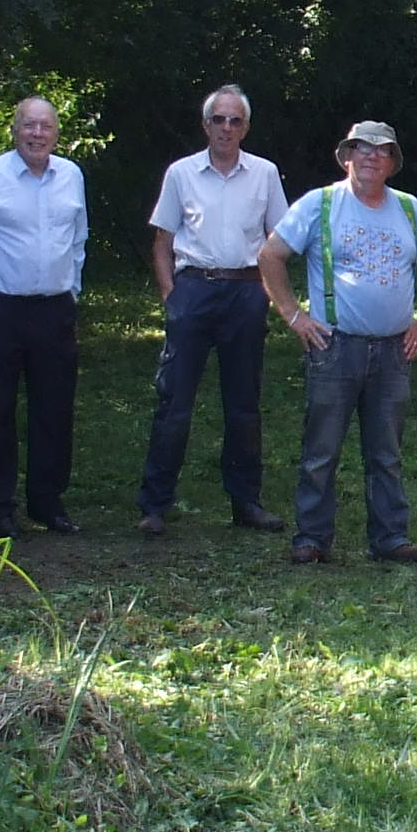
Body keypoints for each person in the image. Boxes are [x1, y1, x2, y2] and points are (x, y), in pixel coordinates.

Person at [260, 119, 417, 565]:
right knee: (321, 449)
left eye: (381, 150)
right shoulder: (320, 205)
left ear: (392, 162)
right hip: (333, 347)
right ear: (347, 157)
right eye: (361, 149)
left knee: (386, 451)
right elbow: (271, 256)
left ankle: (390, 537)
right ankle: (311, 537)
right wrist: (294, 316)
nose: (370, 156)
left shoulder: (409, 210)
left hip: (392, 351)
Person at [137, 85, 291, 535]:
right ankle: (154, 505)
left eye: (235, 120)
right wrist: (172, 297)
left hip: (244, 293)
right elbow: (162, 241)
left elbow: (278, 239)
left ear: (246, 127)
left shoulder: (264, 173)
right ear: (205, 125)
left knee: (244, 404)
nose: (226, 128)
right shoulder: (181, 173)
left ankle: (246, 502)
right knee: (174, 402)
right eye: (218, 120)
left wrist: (265, 293)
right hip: (193, 291)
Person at [0, 95, 89, 539]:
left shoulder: (72, 176)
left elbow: (78, 239)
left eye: (46, 126)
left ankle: (48, 502)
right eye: (29, 125)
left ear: (57, 133)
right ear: (15, 129)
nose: (37, 134)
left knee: (54, 409)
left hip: (54, 309)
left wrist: (73, 291)